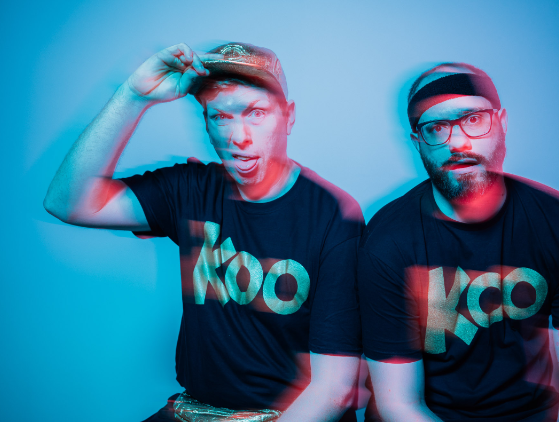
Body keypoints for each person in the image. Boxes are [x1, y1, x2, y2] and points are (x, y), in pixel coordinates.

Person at [44, 42, 364, 421]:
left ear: (288, 116)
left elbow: (332, 389)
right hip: (193, 410)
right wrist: (133, 96)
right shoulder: (191, 189)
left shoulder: (333, 215)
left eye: (255, 113)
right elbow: (68, 202)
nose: (238, 137)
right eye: (220, 116)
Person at [357, 63, 559, 421]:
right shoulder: (387, 240)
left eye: (474, 119)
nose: (457, 143)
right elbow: (399, 403)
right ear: (418, 143)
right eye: (436, 128)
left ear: (501, 123)